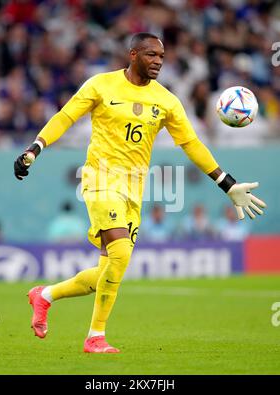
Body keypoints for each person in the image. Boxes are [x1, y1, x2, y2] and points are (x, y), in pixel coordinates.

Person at [14, 32, 266, 353]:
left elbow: (191, 144)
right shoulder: (100, 85)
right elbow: (66, 117)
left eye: (161, 56)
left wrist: (227, 183)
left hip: (134, 190)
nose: (158, 61)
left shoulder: (167, 101)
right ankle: (95, 337)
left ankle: (45, 295)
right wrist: (35, 148)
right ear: (133, 55)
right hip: (100, 180)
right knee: (118, 254)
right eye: (151, 55)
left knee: (110, 270)